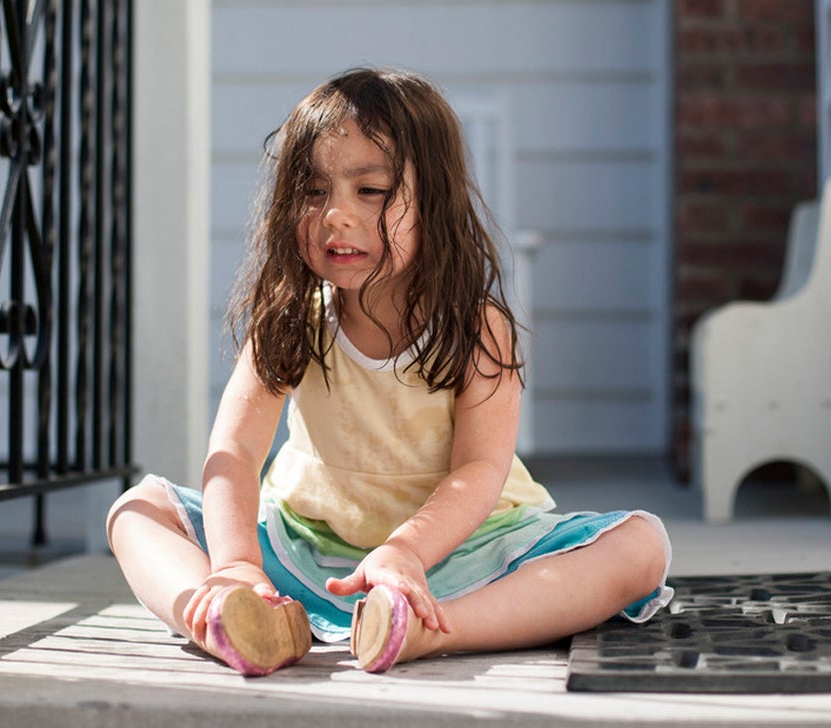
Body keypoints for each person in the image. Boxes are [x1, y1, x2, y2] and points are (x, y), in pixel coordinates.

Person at [107, 67, 674, 676]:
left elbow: (480, 469)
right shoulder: (293, 316)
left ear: (433, 201)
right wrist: (238, 562)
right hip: (307, 551)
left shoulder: (475, 325)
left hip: (461, 551)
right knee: (137, 511)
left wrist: (405, 551)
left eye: (369, 191)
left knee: (641, 546)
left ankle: (431, 630)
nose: (335, 216)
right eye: (314, 190)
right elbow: (235, 451)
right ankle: (239, 620)